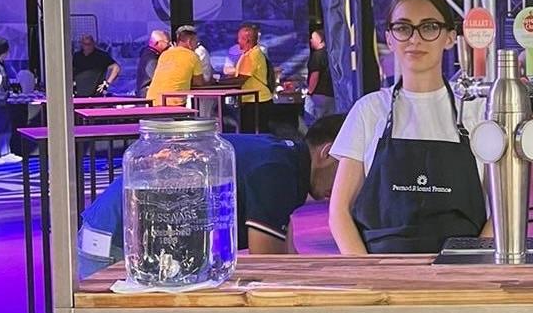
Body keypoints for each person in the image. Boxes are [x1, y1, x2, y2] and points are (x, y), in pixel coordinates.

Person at [77, 114, 344, 278]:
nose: (348, 187)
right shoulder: (278, 170)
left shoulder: (283, 157)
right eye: (351, 170)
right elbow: (269, 267)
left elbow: (287, 255)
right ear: (327, 152)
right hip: (118, 243)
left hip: (119, 234)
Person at [329, 0, 489, 254]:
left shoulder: (478, 111)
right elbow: (339, 212)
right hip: (381, 270)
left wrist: (471, 264)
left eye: (429, 27)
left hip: (460, 268)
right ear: (389, 39)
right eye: (403, 28)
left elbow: (505, 210)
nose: (415, 39)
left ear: (450, 38)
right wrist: (366, 271)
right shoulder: (369, 110)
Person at [146, 24, 208, 106]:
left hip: (151, 100)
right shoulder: (193, 56)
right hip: (172, 102)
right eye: (196, 42)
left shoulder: (165, 54)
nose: (197, 46)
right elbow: (199, 83)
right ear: (189, 42)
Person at [233, 22, 274, 132]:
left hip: (257, 101)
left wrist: (218, 84)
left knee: (254, 133)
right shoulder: (248, 54)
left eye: (239, 38)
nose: (237, 41)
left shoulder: (253, 54)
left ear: (247, 40)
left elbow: (241, 79)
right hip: (251, 100)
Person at [305, 23, 335, 124]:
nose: (310, 40)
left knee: (315, 123)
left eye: (312, 38)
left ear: (319, 40)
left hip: (319, 95)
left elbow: (315, 75)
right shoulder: (332, 55)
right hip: (332, 95)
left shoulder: (317, 56)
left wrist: (310, 92)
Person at [134, 29, 169, 98]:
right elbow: (157, 78)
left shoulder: (150, 54)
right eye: (167, 42)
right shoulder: (150, 58)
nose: (169, 46)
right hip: (148, 95)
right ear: (156, 43)